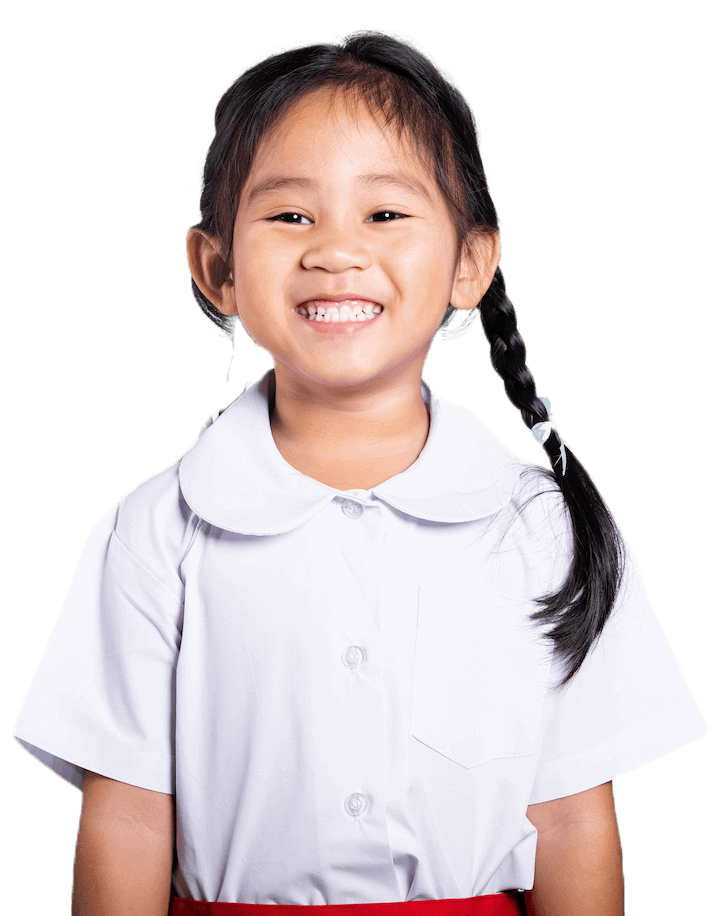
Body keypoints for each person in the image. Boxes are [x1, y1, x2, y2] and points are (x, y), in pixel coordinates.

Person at [11, 27, 708, 916]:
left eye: (384, 214)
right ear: (215, 266)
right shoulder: (155, 531)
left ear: (470, 261)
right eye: (289, 214)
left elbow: (572, 818)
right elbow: (128, 817)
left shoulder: (540, 526)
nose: (335, 251)